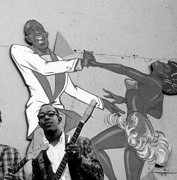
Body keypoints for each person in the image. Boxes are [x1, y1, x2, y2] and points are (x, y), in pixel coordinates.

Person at [86, 52, 177, 180]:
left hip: (134, 126)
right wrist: (128, 99)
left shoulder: (154, 82)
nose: (161, 62)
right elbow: (157, 113)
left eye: (166, 66)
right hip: (139, 128)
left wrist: (97, 64)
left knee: (93, 145)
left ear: (165, 76)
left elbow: (125, 69)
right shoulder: (156, 90)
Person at [10, 20, 123, 152]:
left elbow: (72, 90)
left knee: (57, 151)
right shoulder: (19, 51)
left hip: (58, 113)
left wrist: (102, 102)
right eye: (31, 31)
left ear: (46, 34)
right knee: (40, 150)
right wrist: (79, 63)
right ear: (28, 38)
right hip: (39, 112)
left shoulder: (58, 60)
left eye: (39, 29)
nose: (37, 33)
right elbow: (44, 68)